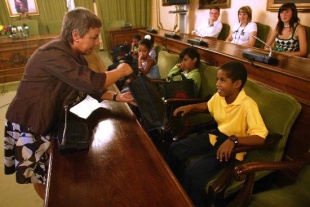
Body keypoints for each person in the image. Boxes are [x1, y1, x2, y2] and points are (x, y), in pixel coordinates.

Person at [4, 7, 135, 200]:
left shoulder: (74, 56)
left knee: (49, 169)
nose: (98, 42)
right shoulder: (54, 53)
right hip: (29, 121)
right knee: (39, 176)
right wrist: (121, 70)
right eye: (94, 37)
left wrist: (116, 97)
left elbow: (85, 87)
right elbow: (90, 81)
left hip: (45, 117)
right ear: (76, 34)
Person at [166, 61, 268, 206]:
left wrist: (233, 140)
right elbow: (208, 106)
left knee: (194, 172)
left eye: (222, 80)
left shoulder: (248, 105)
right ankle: (171, 187)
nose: (217, 84)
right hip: (217, 135)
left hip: (234, 146)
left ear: (237, 83)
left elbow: (260, 138)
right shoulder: (220, 96)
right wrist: (191, 106)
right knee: (174, 148)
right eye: (217, 80)